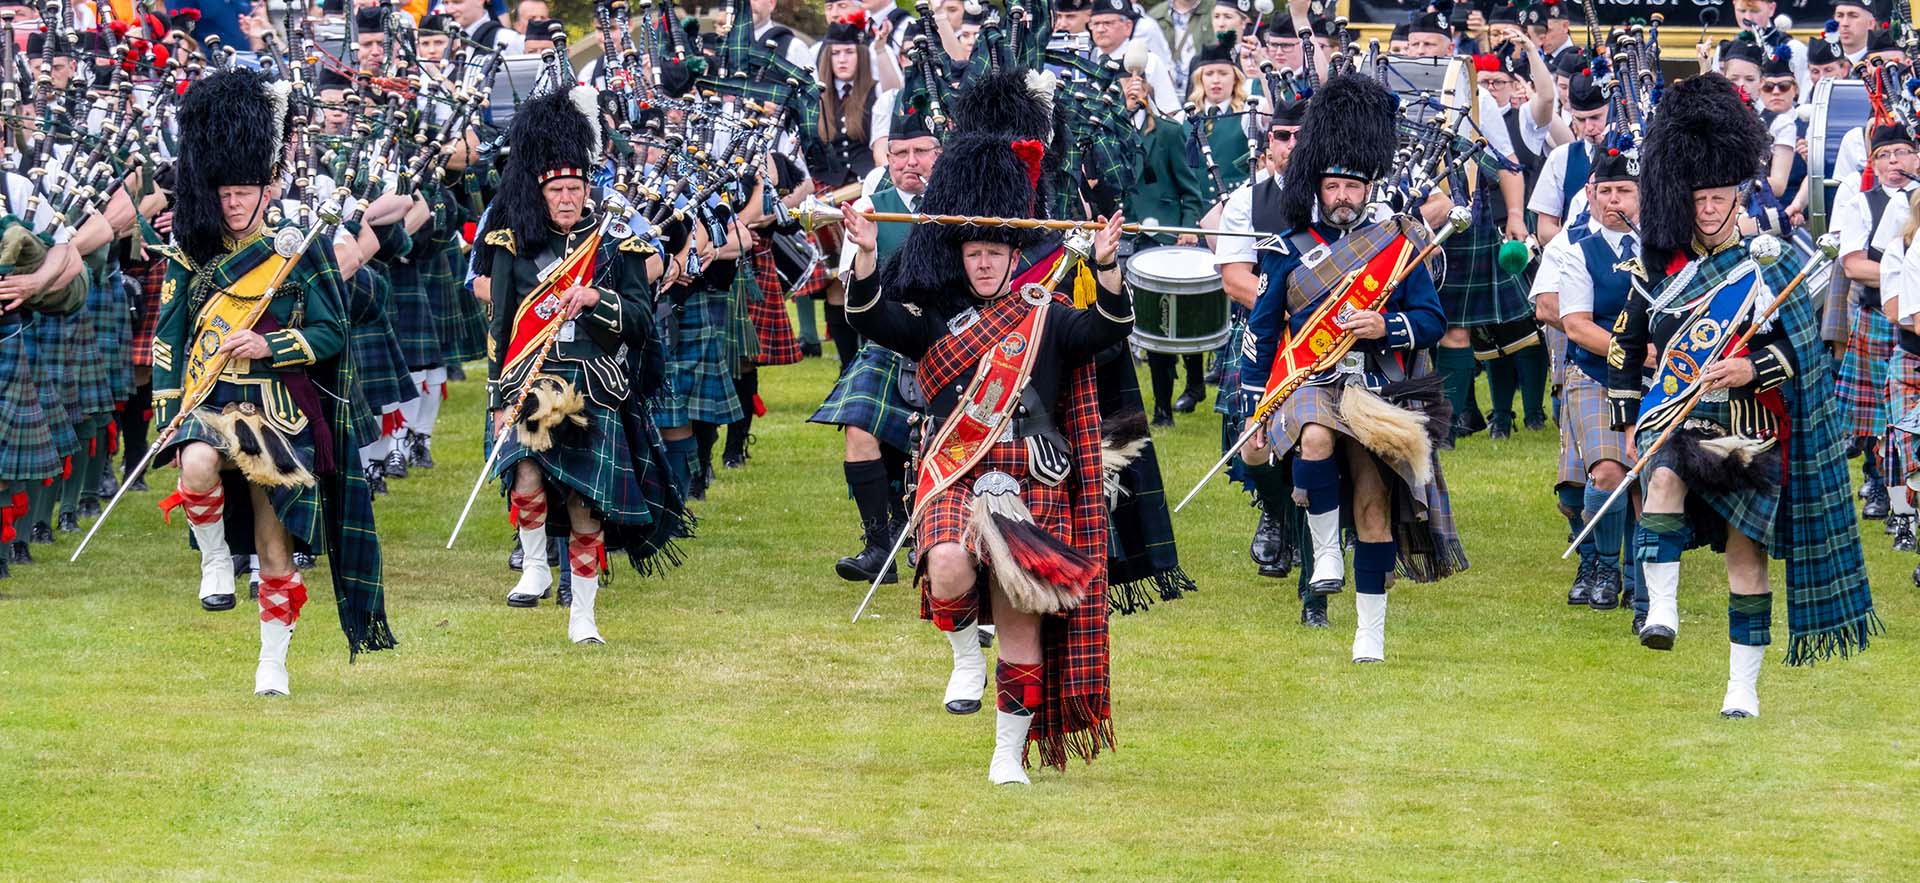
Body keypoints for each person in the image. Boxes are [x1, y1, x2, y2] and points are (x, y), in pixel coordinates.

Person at [846, 70, 1127, 785]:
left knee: (1023, 625)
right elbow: (869, 317)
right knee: (946, 567)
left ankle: (1007, 756)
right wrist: (869, 257)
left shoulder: (1048, 313)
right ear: (960, 252)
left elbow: (1106, 332)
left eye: (994, 252)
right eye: (971, 251)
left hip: (1034, 480)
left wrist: (1110, 270)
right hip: (957, 472)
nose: (981, 261)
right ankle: (964, 656)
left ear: (1012, 253)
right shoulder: (937, 316)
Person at [1607, 73, 1877, 717]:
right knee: (1665, 483)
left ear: (1739, 195)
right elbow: (1626, 342)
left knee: (1743, 556)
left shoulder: (1770, 259)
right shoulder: (1657, 262)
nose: (1708, 209)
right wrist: (1625, 415)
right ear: (1682, 196)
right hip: (1675, 416)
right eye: (1699, 198)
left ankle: (1742, 689)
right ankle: (1662, 613)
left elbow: (1801, 349)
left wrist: (1751, 369)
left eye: (1720, 197)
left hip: (1748, 425)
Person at [149, 69, 395, 694]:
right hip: (212, 397)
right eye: (224, 192)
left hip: (277, 405)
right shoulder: (191, 252)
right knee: (197, 467)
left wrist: (270, 342)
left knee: (273, 541)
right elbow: (167, 338)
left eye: (245, 192)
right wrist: (168, 412)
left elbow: (331, 333)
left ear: (268, 188)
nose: (233, 204)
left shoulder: (299, 249)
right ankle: (211, 561)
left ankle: (272, 663)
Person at [1237, 74, 1465, 662]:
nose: (1342, 195)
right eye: (1332, 185)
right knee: (1313, 434)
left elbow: (1432, 320)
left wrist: (1384, 327)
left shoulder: (1398, 243)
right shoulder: (1287, 249)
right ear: (1318, 187)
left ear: (1368, 189)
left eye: (1351, 187)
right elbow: (1261, 332)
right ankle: (1325, 557)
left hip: (1378, 384)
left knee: (1371, 500)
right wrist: (1252, 407)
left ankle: (1371, 630)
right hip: (1309, 381)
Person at [476, 86, 690, 640]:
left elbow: (642, 321)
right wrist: (500, 400)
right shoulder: (512, 246)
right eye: (557, 190)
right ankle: (536, 567)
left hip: (596, 385)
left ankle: (584, 615)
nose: (567, 199)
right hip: (532, 380)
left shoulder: (617, 243)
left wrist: (599, 300)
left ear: (587, 186)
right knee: (524, 475)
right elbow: (501, 328)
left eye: (575, 188)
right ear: (541, 191)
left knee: (583, 503)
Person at [810, 101, 939, 593]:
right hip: (888, 337)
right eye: (900, 153)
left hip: (950, 339)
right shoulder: (870, 204)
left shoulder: (959, 198)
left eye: (920, 152)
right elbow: (849, 278)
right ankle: (878, 545)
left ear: (938, 154)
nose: (910, 162)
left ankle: (928, 532)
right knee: (859, 431)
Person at [1536, 145, 1642, 618]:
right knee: (1603, 474)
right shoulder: (1571, 244)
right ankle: (1600, 564)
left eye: (1625, 191)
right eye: (1607, 191)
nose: (1615, 200)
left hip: (1659, 377)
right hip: (1591, 371)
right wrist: (1630, 348)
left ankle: (1641, 579)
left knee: (1646, 480)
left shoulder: (1660, 244)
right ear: (1590, 193)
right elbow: (1553, 312)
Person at [1829, 124, 1918, 523]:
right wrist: (1905, 275)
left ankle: (1904, 503)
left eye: (1901, 152)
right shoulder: (1861, 204)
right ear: (1873, 163)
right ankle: (1881, 489)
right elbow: (1853, 264)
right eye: (1883, 155)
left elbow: (1870, 265)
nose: (1893, 162)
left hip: (1908, 320)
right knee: (1880, 419)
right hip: (1881, 316)